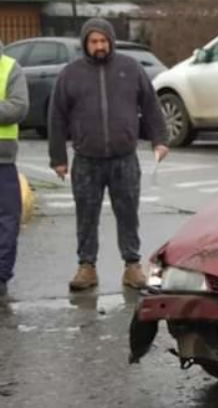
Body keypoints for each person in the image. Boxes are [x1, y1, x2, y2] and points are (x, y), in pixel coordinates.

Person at [49, 18, 169, 291]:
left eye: (104, 41)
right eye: (94, 42)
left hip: (124, 158)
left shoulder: (130, 68)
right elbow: (56, 117)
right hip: (86, 160)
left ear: (111, 42)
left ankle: (132, 266)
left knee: (128, 213)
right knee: (86, 215)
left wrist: (159, 139)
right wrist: (58, 158)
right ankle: (86, 267)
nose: (99, 46)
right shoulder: (71, 73)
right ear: (85, 44)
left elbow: (150, 106)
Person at [0, 39, 30, 299]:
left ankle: (1, 278)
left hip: (3, 159)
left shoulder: (9, 67)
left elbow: (18, 107)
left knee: (7, 221)